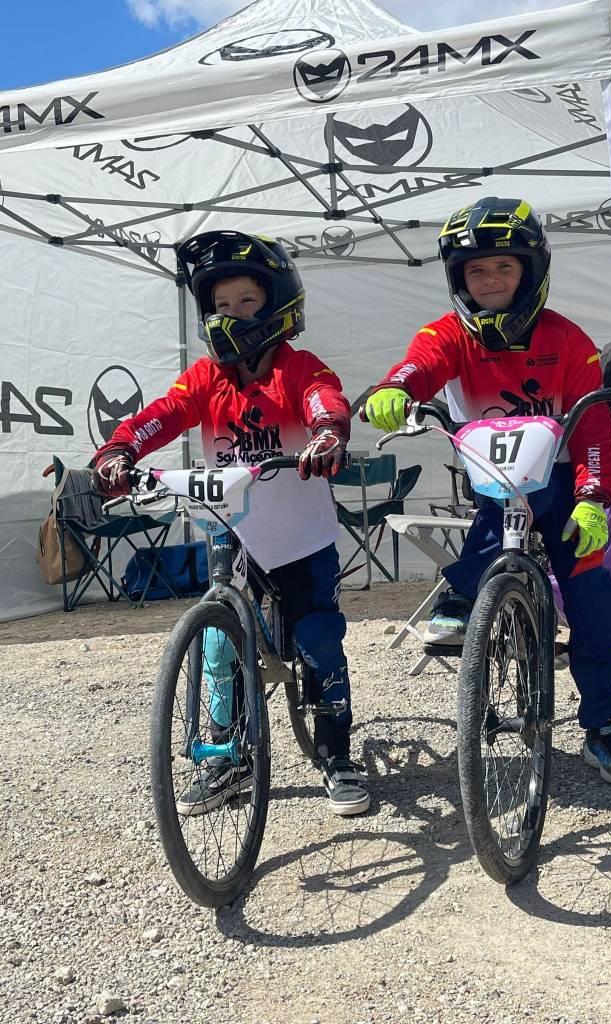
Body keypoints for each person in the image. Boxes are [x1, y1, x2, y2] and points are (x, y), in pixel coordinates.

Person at [364, 197, 611, 785]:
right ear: (458, 278)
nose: (489, 279)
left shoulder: (569, 341)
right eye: (476, 270)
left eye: (503, 266)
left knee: (592, 598)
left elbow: (593, 431)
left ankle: (601, 725)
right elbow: (419, 366)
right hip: (497, 483)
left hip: (565, 483)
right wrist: (396, 388)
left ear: (530, 271)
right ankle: (468, 594)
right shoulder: (446, 334)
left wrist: (593, 499)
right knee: (504, 514)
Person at [93, 229, 370, 815]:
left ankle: (337, 755)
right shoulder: (205, 377)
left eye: (246, 301)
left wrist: (327, 433)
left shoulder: (299, 368)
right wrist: (121, 449)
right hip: (231, 528)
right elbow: (164, 413)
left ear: (278, 303)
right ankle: (225, 757)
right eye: (220, 304)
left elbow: (324, 398)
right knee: (218, 642)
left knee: (319, 640)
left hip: (300, 537)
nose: (231, 315)